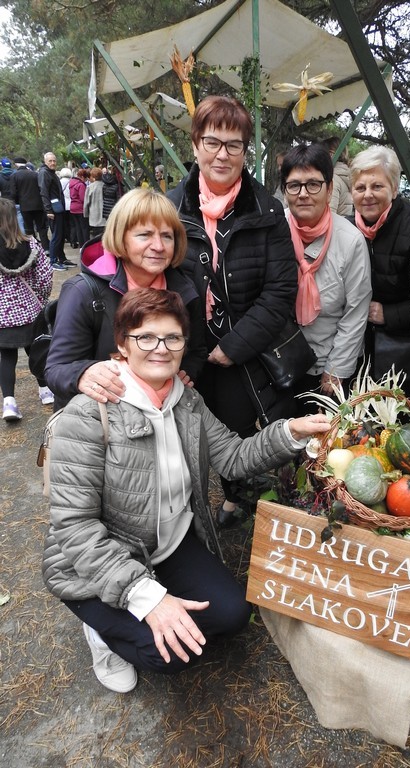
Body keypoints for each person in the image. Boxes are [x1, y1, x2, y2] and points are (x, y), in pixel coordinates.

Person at [41, 287, 329, 692]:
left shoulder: (186, 400)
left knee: (231, 616)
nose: (161, 348)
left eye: (172, 338)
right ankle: (102, 630)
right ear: (122, 345)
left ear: (183, 344)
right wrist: (147, 597)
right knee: (172, 654)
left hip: (168, 545)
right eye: (146, 337)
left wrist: (290, 433)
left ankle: (153, 591)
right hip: (96, 561)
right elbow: (73, 527)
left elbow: (232, 456)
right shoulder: (89, 415)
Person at [168, 95, 298, 528]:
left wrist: (232, 347)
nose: (222, 154)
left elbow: (281, 289)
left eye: (234, 144)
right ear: (195, 146)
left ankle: (238, 497)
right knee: (181, 438)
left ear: (246, 151)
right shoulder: (171, 209)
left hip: (239, 348)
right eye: (212, 142)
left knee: (237, 428)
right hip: (183, 352)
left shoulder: (267, 211)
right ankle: (182, 518)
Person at [45, 187, 206, 411]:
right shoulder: (83, 292)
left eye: (167, 236)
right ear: (121, 237)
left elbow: (197, 350)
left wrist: (185, 372)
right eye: (145, 235)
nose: (158, 246)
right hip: (101, 422)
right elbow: (57, 368)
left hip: (163, 415)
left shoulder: (185, 291)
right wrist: (83, 373)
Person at [281, 143, 371, 414]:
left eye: (313, 184)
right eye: (294, 185)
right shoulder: (276, 230)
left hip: (328, 362)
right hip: (282, 361)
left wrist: (336, 369)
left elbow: (356, 311)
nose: (303, 194)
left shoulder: (350, 240)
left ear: (330, 189)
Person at [350, 146, 410, 393]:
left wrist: (388, 313)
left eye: (377, 186)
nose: (368, 195)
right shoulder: (345, 228)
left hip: (399, 349)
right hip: (354, 346)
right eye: (360, 187)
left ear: (395, 189)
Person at [0, 199, 54, 420]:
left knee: (6, 356)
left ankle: (9, 403)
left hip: (2, 314)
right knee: (37, 349)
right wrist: (42, 298)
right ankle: (45, 390)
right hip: (30, 310)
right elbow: (45, 276)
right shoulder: (31, 245)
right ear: (15, 218)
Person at [10, 157, 50, 251]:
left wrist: (18, 201)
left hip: (24, 206)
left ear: (16, 164)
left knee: (29, 228)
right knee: (41, 228)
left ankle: (33, 248)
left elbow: (13, 193)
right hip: (38, 205)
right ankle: (46, 248)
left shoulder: (14, 176)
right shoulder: (35, 174)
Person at [38, 152, 68, 271]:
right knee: (56, 235)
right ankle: (53, 260)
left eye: (54, 161)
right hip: (53, 210)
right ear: (45, 161)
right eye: (50, 161)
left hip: (58, 209)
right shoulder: (44, 173)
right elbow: (43, 192)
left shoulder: (51, 173)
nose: (52, 163)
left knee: (60, 235)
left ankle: (62, 258)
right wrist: (48, 210)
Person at [320, 137, 353, 216]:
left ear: (331, 154)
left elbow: (329, 215)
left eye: (321, 155)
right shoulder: (344, 175)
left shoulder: (333, 179)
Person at [58, 167, 76, 265]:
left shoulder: (59, 182)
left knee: (64, 223)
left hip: (63, 205)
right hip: (71, 204)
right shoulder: (72, 182)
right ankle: (71, 239)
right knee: (72, 223)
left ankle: (66, 236)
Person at [69, 168, 90, 248]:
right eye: (85, 178)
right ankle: (86, 245)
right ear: (82, 177)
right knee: (84, 228)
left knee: (78, 228)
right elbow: (83, 198)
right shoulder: (81, 185)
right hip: (80, 209)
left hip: (73, 208)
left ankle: (81, 246)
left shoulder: (71, 183)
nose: (85, 180)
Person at [83, 167, 106, 239]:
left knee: (94, 237)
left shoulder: (90, 187)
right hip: (104, 217)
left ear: (92, 176)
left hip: (93, 217)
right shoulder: (105, 186)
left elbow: (86, 203)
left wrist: (85, 215)